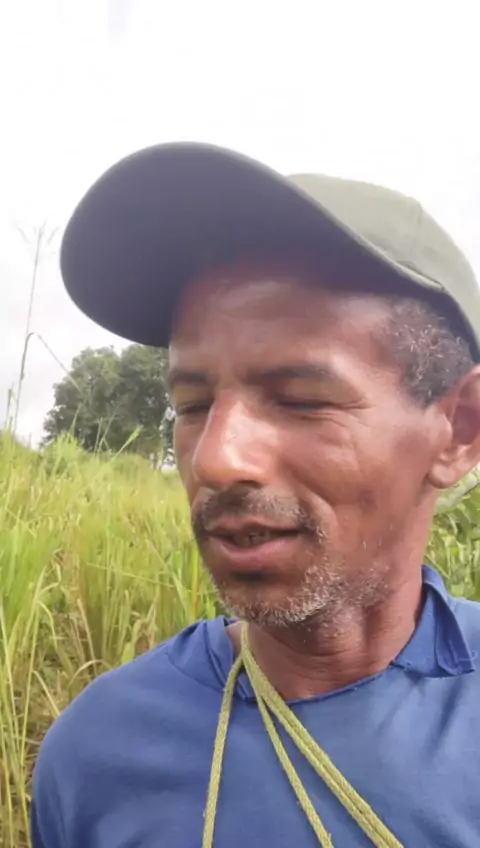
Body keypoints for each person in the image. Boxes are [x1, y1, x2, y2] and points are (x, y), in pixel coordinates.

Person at [31, 143, 480, 848]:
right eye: (192, 405)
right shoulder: (97, 753)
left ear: (459, 431)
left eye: (301, 400)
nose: (216, 459)